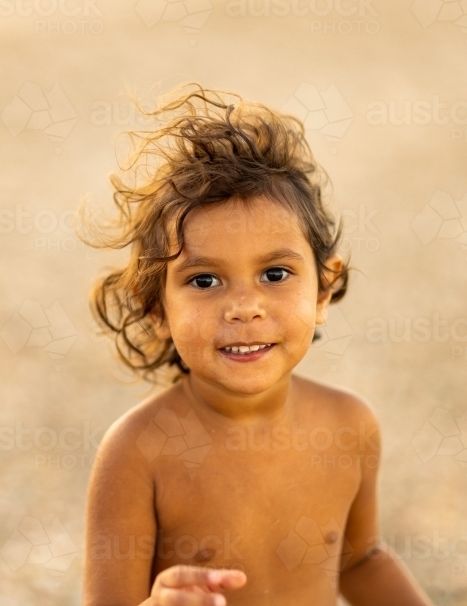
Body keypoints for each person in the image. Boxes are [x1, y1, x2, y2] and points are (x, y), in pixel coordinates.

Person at [81, 86, 433, 606]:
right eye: (204, 281)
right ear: (155, 308)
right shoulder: (138, 453)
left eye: (274, 273)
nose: (244, 307)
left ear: (323, 289)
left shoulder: (348, 426)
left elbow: (360, 560)